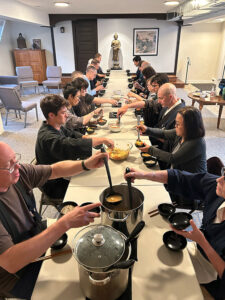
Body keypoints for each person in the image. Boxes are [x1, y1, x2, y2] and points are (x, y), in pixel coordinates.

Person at [0, 141, 107, 299]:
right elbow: (11, 261)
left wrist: (85, 164)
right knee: (76, 288)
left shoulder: (18, 174)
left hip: (34, 236)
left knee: (86, 255)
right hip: (16, 275)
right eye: (9, 166)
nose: (17, 167)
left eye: (16, 160)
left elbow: (54, 170)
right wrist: (64, 223)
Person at [124, 168, 225, 300]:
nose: (219, 179)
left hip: (213, 274)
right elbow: (181, 178)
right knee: (150, 255)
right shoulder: (216, 188)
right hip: (198, 249)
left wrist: (202, 242)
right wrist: (144, 174)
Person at [35, 94, 114, 199]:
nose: (67, 115)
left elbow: (74, 135)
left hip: (62, 171)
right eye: (63, 113)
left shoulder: (55, 125)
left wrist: (98, 138)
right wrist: (102, 140)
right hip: (55, 184)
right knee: (95, 186)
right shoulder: (48, 137)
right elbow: (72, 144)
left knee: (96, 173)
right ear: (51, 115)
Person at [137, 106, 207, 173]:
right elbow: (164, 133)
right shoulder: (183, 132)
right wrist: (147, 129)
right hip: (179, 174)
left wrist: (150, 149)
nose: (175, 126)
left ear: (189, 126)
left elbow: (173, 159)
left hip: (191, 182)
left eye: (178, 124)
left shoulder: (196, 142)